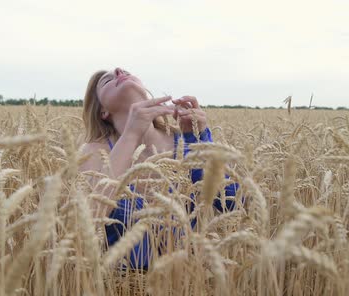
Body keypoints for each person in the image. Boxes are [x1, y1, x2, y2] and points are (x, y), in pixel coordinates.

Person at [79, 67, 240, 270]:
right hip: (124, 292)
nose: (119, 71)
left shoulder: (182, 141)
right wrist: (131, 133)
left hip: (189, 283)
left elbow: (230, 204)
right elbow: (87, 221)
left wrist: (198, 140)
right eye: (106, 81)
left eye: (126, 71)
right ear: (103, 111)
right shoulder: (96, 150)